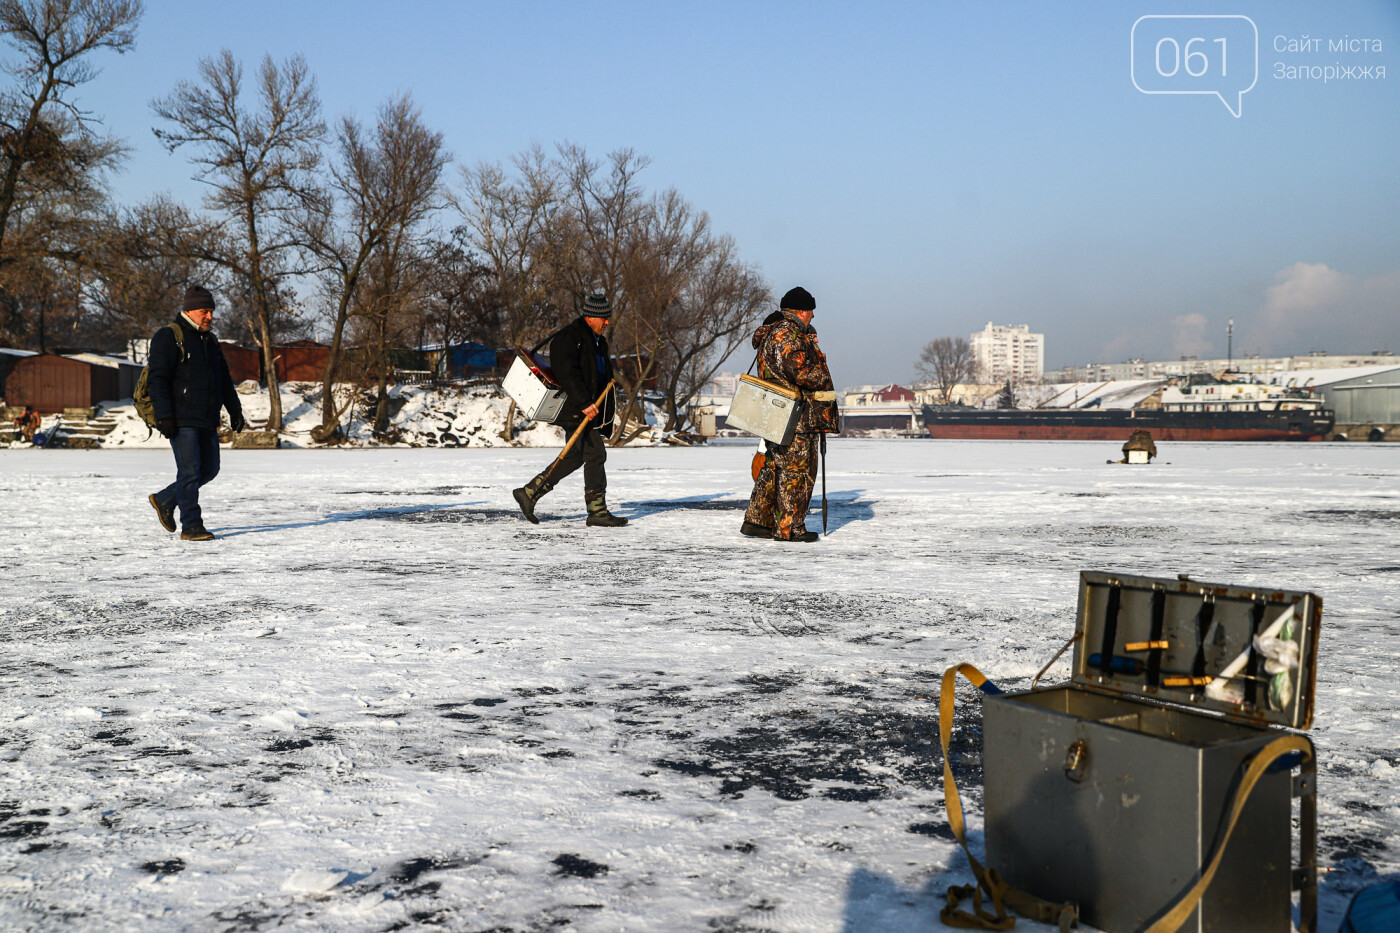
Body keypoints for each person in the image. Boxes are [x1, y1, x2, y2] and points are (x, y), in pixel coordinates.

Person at [512, 292, 627, 527]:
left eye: (608, 318)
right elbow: (567, 373)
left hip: (588, 409)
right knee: (596, 454)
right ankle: (597, 511)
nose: (607, 322)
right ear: (590, 317)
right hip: (575, 409)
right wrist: (584, 402)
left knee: (575, 457)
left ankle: (529, 493)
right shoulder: (570, 338)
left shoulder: (598, 342)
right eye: (603, 318)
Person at [145, 286, 245, 541]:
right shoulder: (168, 336)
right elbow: (158, 380)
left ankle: (165, 499)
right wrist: (165, 416)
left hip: (206, 417)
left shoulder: (210, 341)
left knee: (209, 469)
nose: (209, 316)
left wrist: (235, 410)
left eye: (211, 311)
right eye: (205, 311)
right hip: (181, 419)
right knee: (189, 473)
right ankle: (191, 526)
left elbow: (223, 379)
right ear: (189, 310)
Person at [742, 286, 838, 542]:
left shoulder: (773, 332)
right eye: (810, 311)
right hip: (796, 415)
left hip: (778, 412)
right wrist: (823, 373)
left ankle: (758, 521)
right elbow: (801, 372)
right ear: (800, 311)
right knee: (796, 472)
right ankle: (789, 528)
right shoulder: (789, 334)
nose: (813, 317)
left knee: (776, 466)